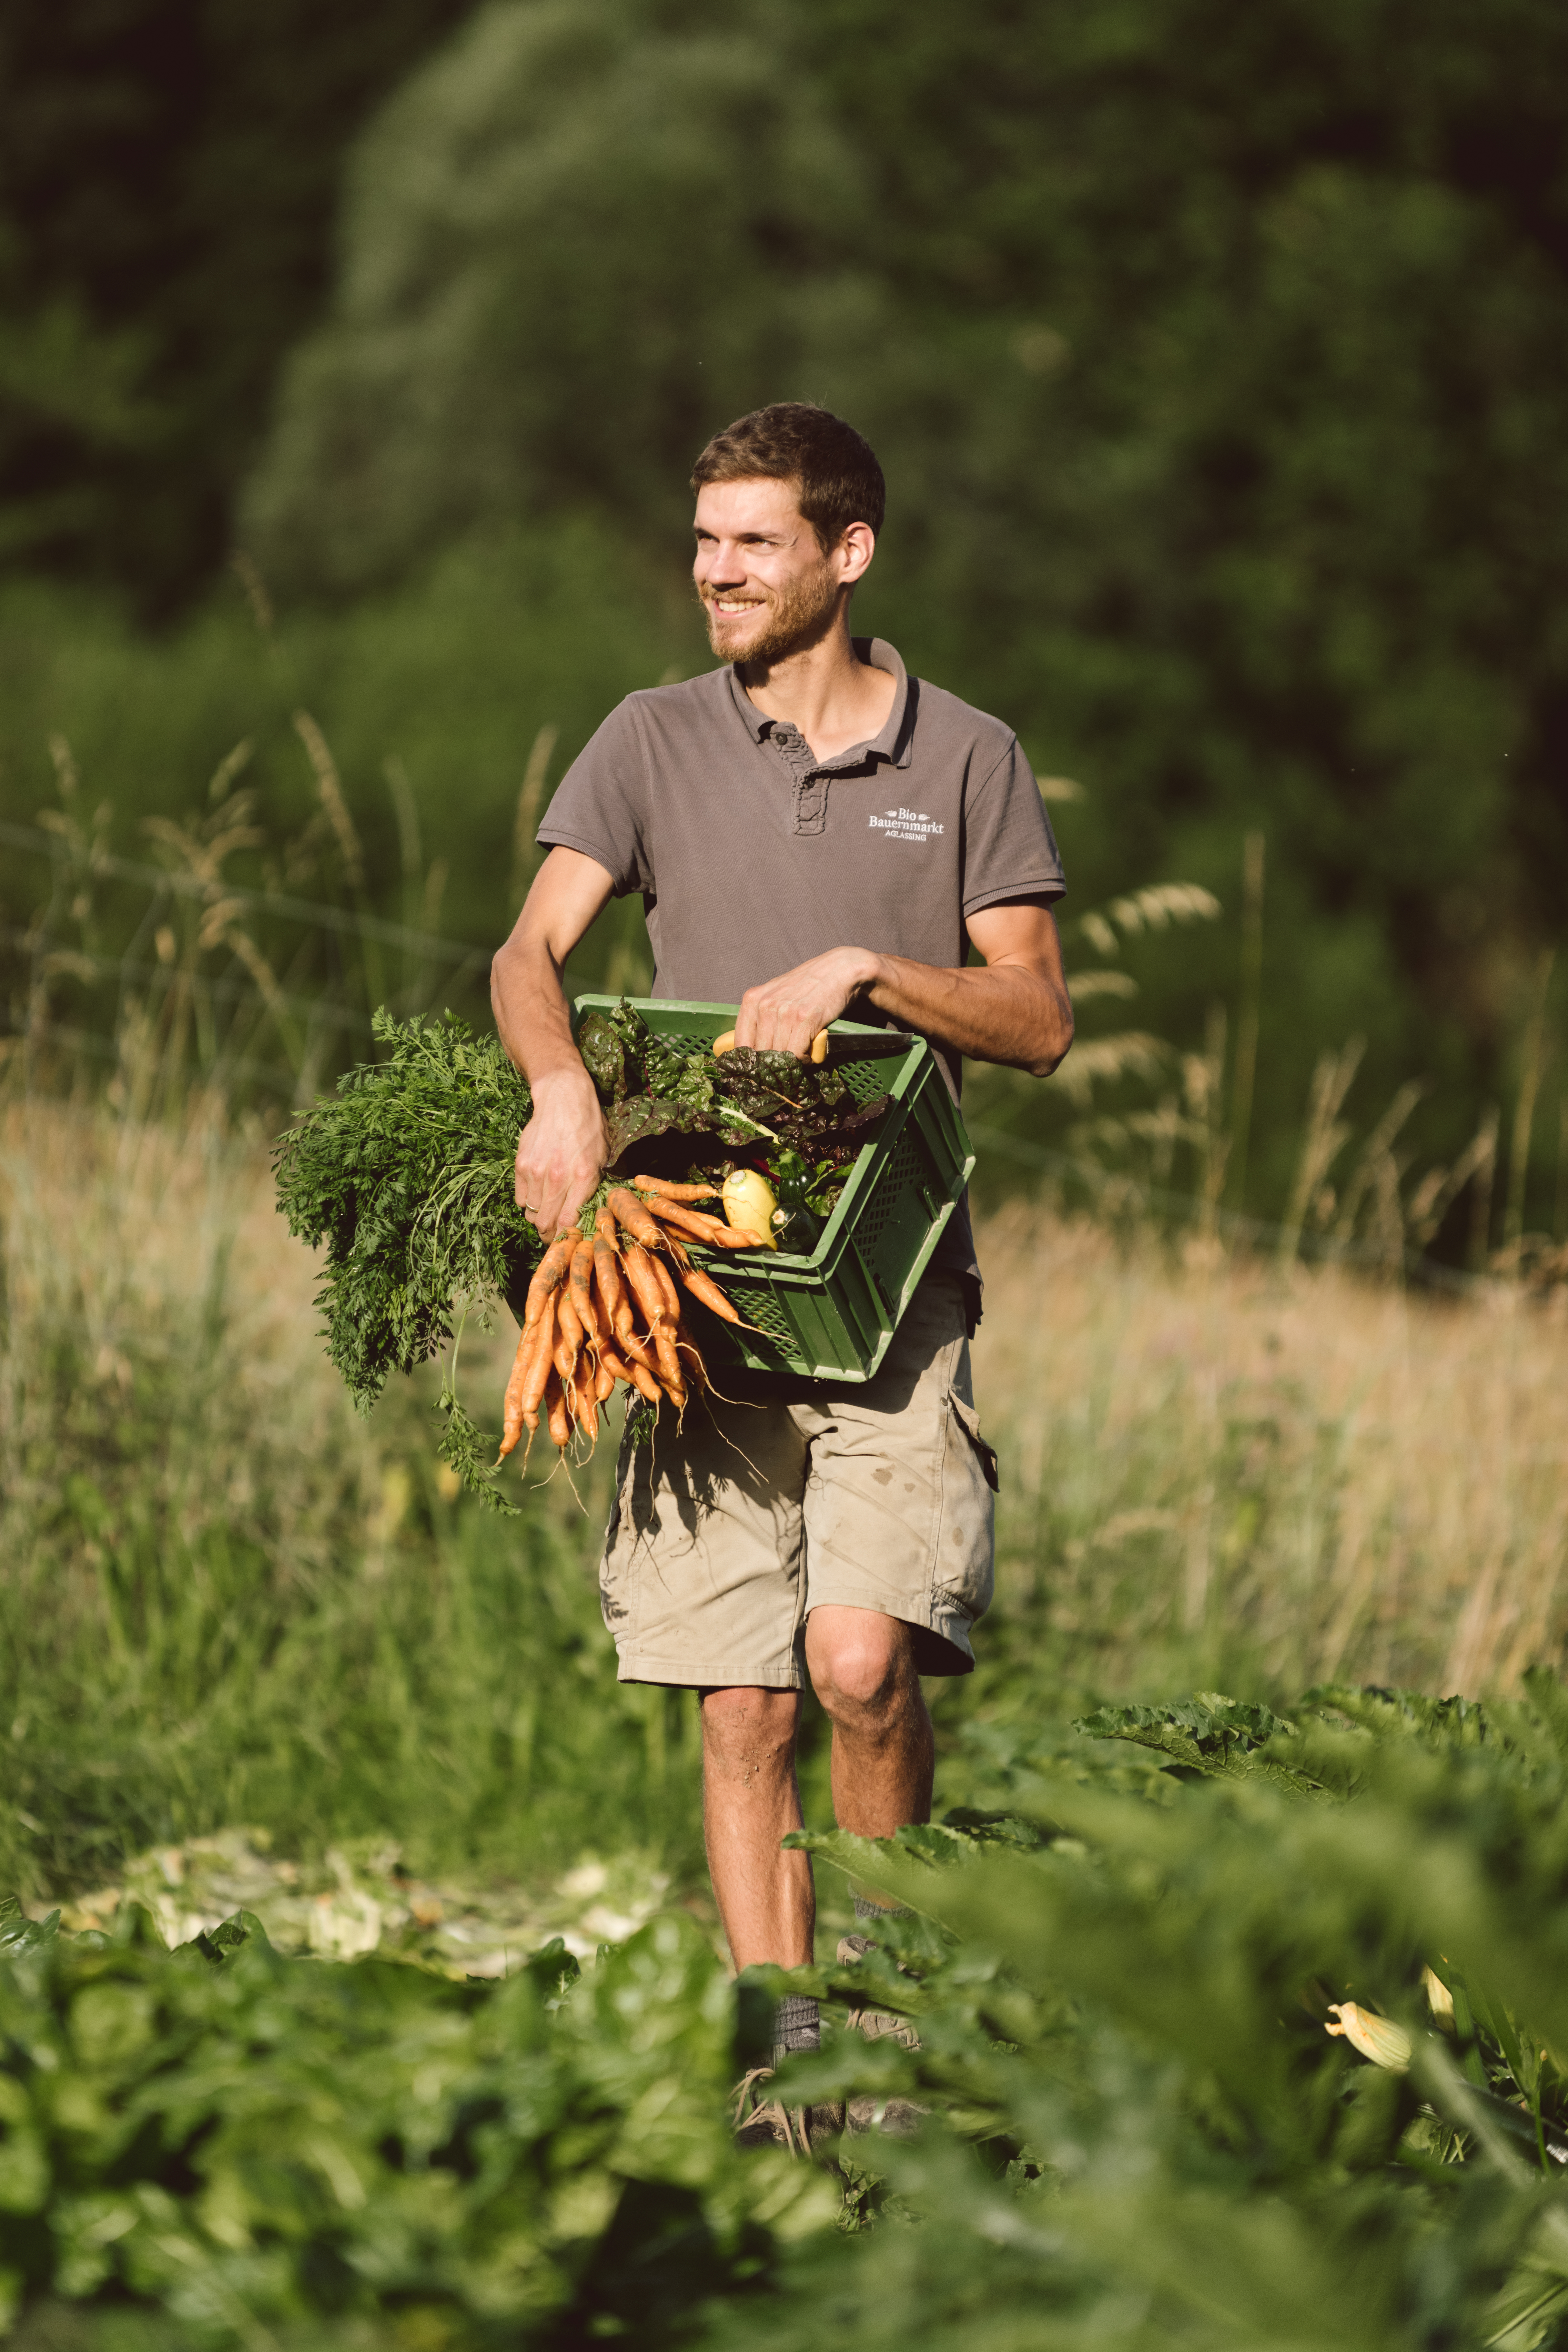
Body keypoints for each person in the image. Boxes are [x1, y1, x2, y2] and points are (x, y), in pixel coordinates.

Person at [490, 402, 1072, 2147]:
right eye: (703, 542)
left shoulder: (966, 756)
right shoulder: (650, 740)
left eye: (752, 543)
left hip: (895, 1287)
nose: (715, 574)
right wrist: (562, 1081)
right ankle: (777, 2068)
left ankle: (894, 2043)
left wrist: (873, 971)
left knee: (856, 1664)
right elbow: (530, 951)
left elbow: (1038, 1015)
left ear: (849, 553)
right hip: (700, 1286)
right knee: (740, 1695)